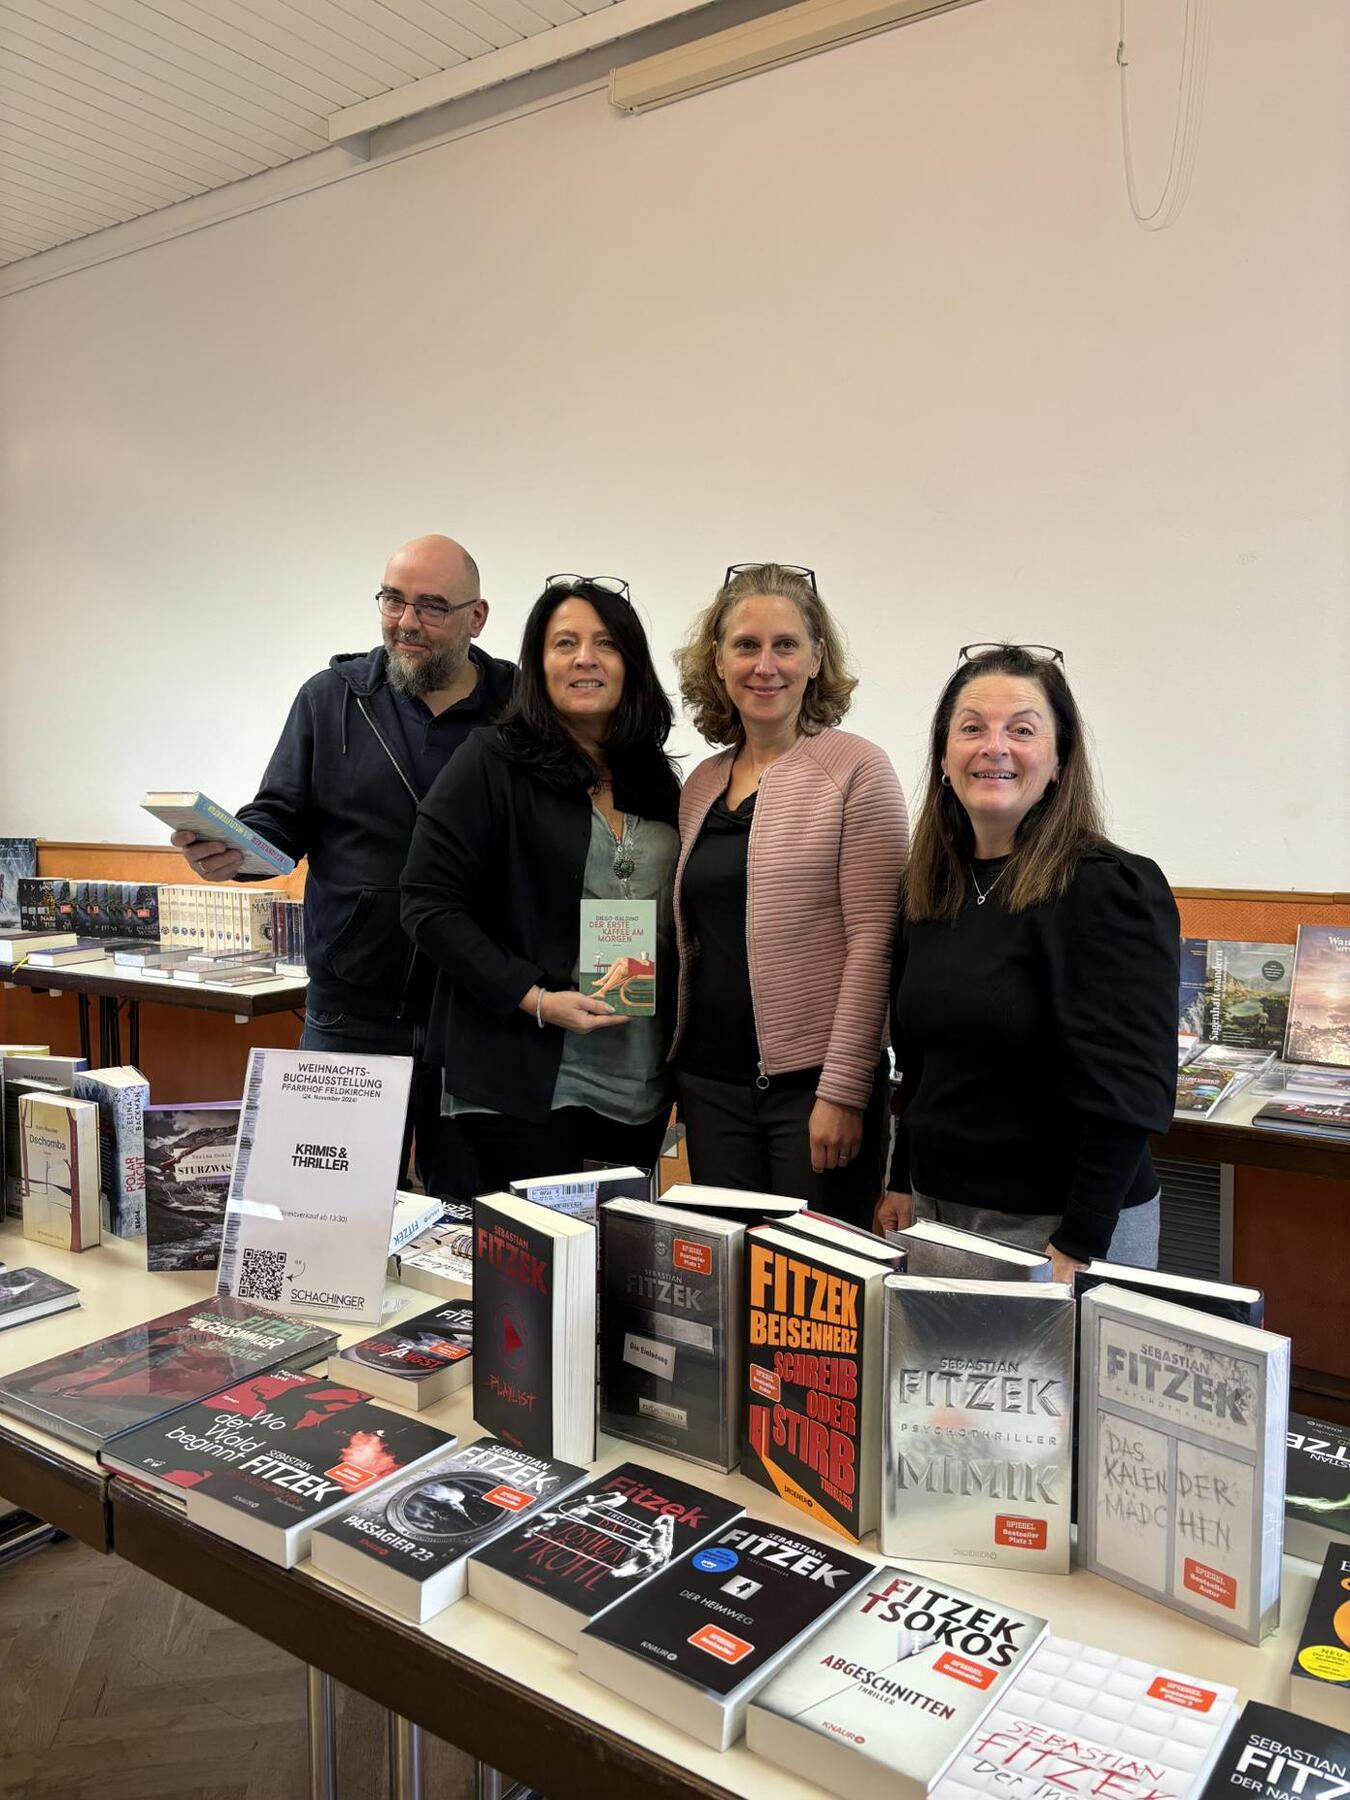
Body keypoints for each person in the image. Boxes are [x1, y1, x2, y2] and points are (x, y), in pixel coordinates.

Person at [170, 533, 515, 1190]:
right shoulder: (331, 699)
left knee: (474, 1215)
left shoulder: (521, 711)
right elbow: (279, 818)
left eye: (431, 606)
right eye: (393, 600)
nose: (406, 622)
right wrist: (235, 851)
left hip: (481, 1013)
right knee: (326, 1211)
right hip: (350, 1012)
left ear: (476, 617)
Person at [874, 642, 1179, 1279]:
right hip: (937, 1213)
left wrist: (1079, 1243)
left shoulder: (1108, 888)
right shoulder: (928, 888)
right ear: (943, 759)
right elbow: (922, 1067)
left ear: (1060, 760)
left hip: (1062, 1228)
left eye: (1022, 730)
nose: (995, 747)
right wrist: (902, 1179)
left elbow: (1128, 1096)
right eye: (972, 728)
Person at [401, 575, 681, 1192]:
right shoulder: (490, 761)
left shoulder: (656, 779)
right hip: (519, 1079)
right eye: (565, 643)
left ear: (631, 664)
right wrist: (535, 1000)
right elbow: (427, 905)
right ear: (539, 664)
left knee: (613, 1252)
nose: (585, 658)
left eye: (606, 643)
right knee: (529, 1255)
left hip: (636, 1081)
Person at [671, 563, 908, 1224]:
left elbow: (875, 943)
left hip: (814, 1093)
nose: (765, 665)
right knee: (725, 1271)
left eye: (786, 645)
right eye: (746, 645)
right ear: (718, 660)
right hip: (710, 1085)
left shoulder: (857, 769)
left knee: (815, 1281)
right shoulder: (700, 784)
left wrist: (844, 1090)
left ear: (816, 658)